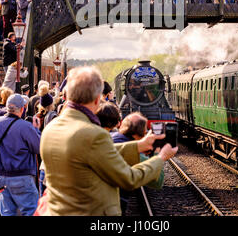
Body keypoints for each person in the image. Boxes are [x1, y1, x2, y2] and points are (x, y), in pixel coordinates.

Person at [40, 66, 177, 216]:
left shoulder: (51, 128)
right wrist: (160, 158)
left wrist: (138, 146)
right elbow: (128, 178)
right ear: (98, 98)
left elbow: (85, 153)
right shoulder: (93, 135)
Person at [0, 94, 41, 216]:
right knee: (31, 212)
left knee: (7, 212)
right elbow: (39, 147)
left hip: (2, 175)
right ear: (22, 109)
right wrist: (36, 129)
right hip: (22, 175)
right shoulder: (25, 127)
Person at [111, 112, 165, 214]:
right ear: (137, 135)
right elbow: (158, 182)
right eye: (145, 133)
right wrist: (158, 155)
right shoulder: (134, 154)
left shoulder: (111, 138)